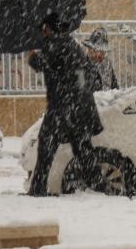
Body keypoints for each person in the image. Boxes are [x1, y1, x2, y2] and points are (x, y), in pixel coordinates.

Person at [28, 13, 104, 196]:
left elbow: (42, 64)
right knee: (82, 148)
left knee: (46, 145)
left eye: (44, 28)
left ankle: (38, 190)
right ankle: (99, 186)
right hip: (80, 106)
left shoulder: (55, 44)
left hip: (64, 107)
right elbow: (87, 75)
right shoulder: (70, 44)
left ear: (50, 28)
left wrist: (32, 56)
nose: (43, 31)